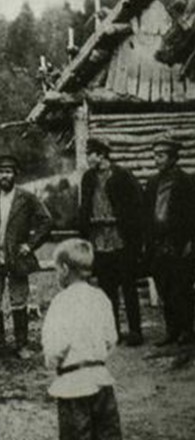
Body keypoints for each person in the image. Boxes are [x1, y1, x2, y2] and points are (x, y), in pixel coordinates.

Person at [41, 238, 122, 440]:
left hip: (73, 386)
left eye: (57, 269)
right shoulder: (101, 298)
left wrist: (52, 363)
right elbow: (111, 338)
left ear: (65, 269)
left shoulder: (61, 303)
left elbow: (55, 347)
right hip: (101, 381)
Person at [0, 154, 52, 358]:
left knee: (18, 300)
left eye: (8, 172)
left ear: (15, 174)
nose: (4, 176)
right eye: (1, 172)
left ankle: (21, 344)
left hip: (17, 258)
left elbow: (46, 221)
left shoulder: (26, 198)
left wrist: (30, 244)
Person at [78, 138, 144, 346]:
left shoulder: (122, 176)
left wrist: (124, 224)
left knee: (128, 286)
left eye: (91, 154)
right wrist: (84, 226)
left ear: (102, 155)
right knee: (107, 289)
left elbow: (136, 206)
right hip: (99, 240)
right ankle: (112, 331)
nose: (88, 158)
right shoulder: (88, 178)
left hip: (121, 239)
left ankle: (135, 331)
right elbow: (85, 206)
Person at [143, 140, 195, 346]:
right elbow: (147, 214)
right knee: (163, 286)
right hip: (158, 243)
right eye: (155, 155)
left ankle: (187, 330)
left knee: (181, 288)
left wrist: (191, 241)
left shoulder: (187, 182)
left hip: (179, 243)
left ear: (173, 157)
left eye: (161, 156)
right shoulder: (153, 182)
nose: (157, 160)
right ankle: (171, 330)